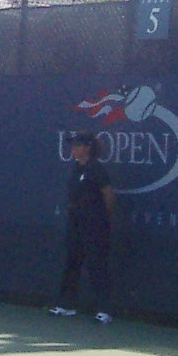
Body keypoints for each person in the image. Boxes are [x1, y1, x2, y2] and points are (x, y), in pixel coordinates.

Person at [50, 131, 115, 323]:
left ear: (87, 148)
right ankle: (66, 306)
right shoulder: (76, 168)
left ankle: (104, 311)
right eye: (72, 145)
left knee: (96, 265)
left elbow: (109, 195)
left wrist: (103, 219)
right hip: (76, 223)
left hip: (94, 224)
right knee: (72, 262)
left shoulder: (97, 169)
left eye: (77, 145)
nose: (73, 149)